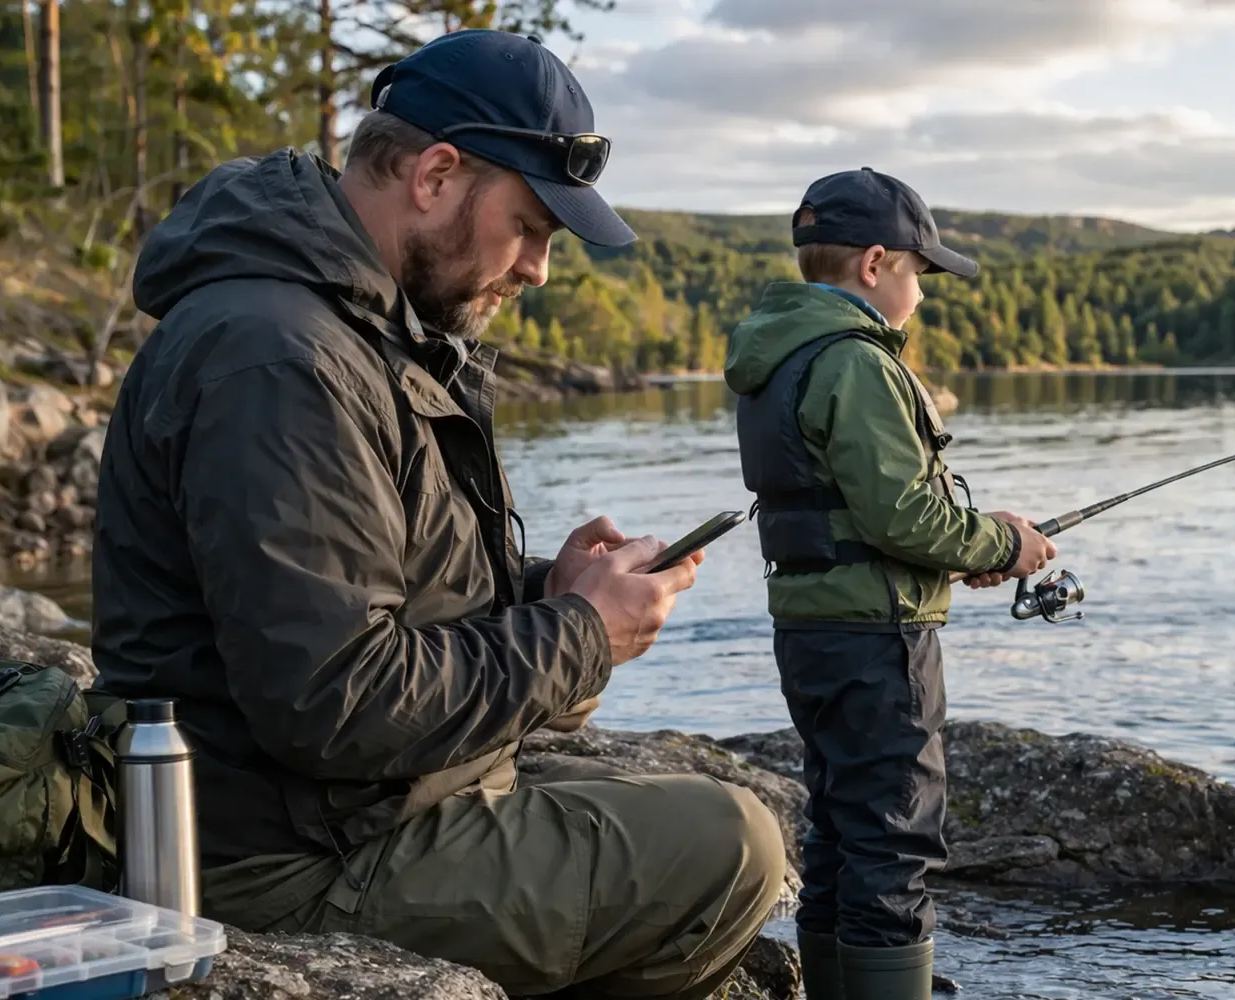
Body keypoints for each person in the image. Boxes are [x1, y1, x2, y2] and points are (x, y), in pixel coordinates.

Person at [89, 29, 787, 1000]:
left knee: (707, 807)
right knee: (735, 845)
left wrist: (546, 588)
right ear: (435, 175)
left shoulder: (356, 329)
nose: (540, 267)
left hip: (356, 808)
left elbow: (373, 583)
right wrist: (581, 633)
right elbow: (334, 702)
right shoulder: (279, 357)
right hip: (277, 860)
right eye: (533, 224)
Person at [722, 168, 1059, 1000]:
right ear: (875, 264)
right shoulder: (856, 361)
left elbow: (858, 510)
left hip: (811, 630)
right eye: (919, 271)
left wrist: (965, 549)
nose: (921, 290)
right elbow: (903, 515)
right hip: (879, 639)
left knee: (841, 829)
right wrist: (1003, 542)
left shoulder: (778, 354)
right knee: (894, 839)